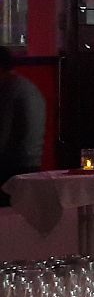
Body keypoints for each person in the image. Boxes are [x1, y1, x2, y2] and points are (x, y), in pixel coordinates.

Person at [0, 49, 44, 205]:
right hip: (31, 162)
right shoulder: (27, 87)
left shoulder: (9, 90)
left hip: (12, 166)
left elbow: (2, 134)